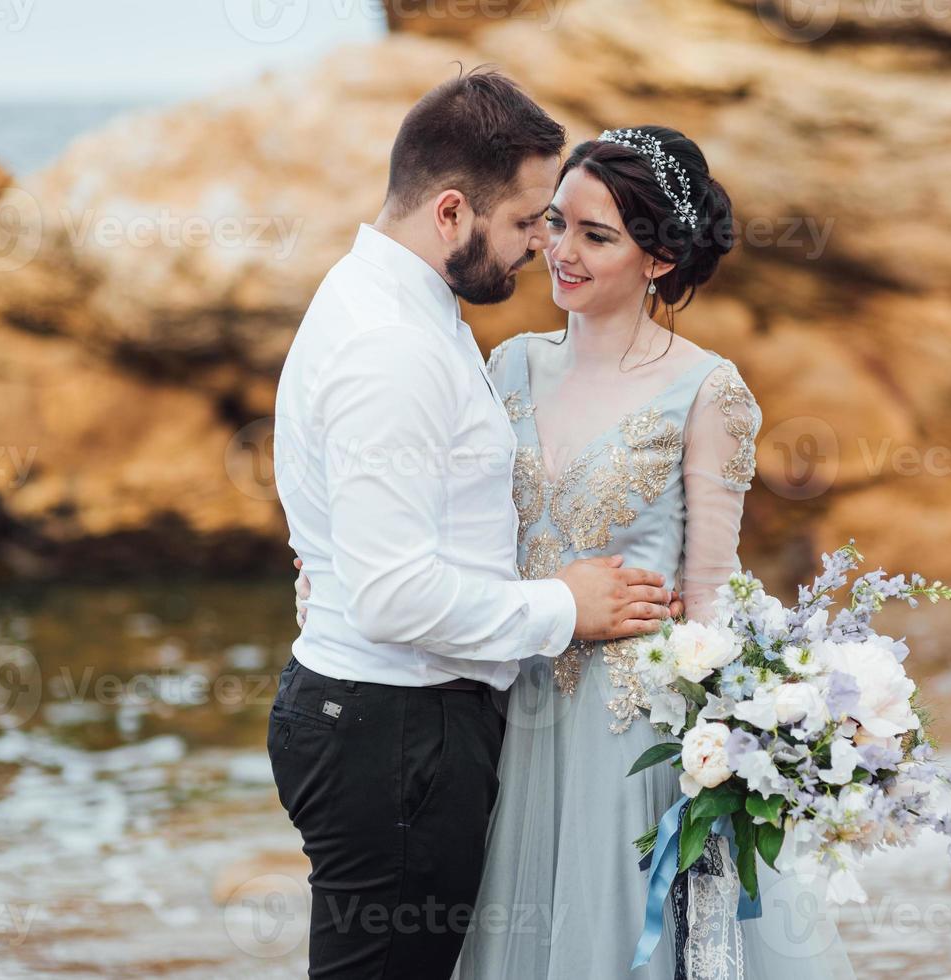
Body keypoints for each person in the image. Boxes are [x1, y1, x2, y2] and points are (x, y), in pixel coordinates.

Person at [301, 124, 856, 978]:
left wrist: (743, 736)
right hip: (510, 710)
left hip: (633, 736)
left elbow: (712, 589)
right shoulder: (508, 366)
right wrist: (338, 572)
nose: (559, 251)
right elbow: (442, 516)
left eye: (596, 237)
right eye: (555, 223)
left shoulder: (709, 391)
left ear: (659, 259)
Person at [269, 71, 683, 980]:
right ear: (452, 212)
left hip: (383, 718)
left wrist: (332, 562)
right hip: (395, 733)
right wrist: (563, 607)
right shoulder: (395, 348)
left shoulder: (397, 303)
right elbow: (392, 596)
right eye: (531, 220)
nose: (544, 244)